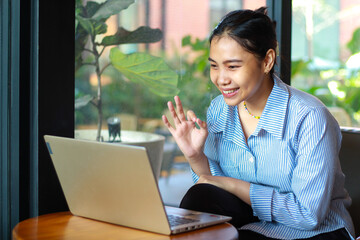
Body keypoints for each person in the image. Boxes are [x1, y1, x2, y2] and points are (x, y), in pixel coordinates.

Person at [161, 7, 355, 240]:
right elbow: (211, 188)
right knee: (199, 198)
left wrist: (235, 186)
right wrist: (195, 156)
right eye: (214, 66)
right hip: (253, 224)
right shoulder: (219, 110)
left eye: (232, 66)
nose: (221, 79)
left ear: (267, 61)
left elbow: (309, 216)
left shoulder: (310, 117)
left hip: (316, 232)